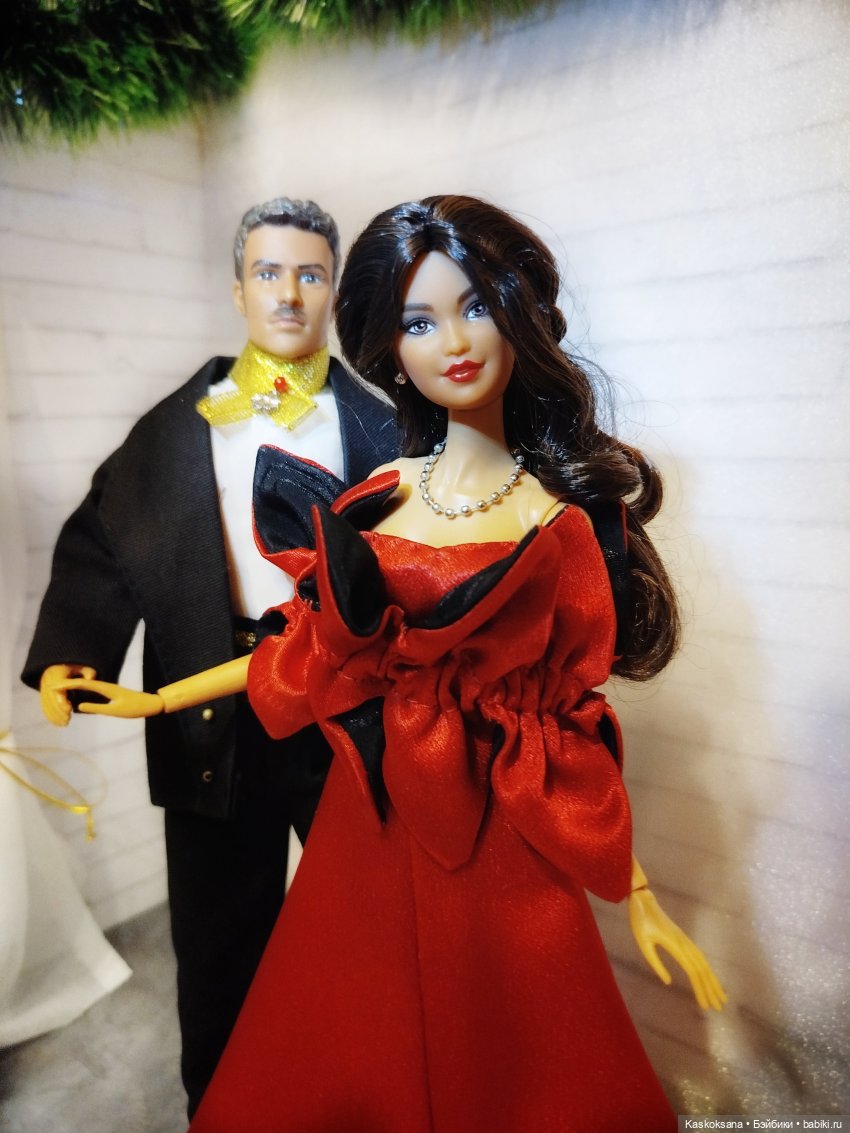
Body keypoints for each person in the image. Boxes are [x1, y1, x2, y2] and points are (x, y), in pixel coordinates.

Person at [58, 195, 726, 1132]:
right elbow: (306, 644)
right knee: (340, 1033)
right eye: (419, 321)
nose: (452, 341)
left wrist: (638, 887)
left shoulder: (556, 522)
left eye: (476, 306)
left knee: (517, 1056)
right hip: (368, 819)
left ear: (519, 315)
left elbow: (567, 731)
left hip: (497, 836)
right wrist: (160, 696)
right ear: (391, 345)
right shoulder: (379, 494)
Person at [20, 197, 399, 1117]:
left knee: (378, 919)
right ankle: (225, 1106)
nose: (289, 292)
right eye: (268, 272)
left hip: (339, 701)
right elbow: (106, 531)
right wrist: (74, 648)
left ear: (334, 290)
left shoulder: (381, 427)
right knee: (219, 938)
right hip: (209, 705)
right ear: (238, 290)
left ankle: (373, 1096)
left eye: (310, 273)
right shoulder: (182, 423)